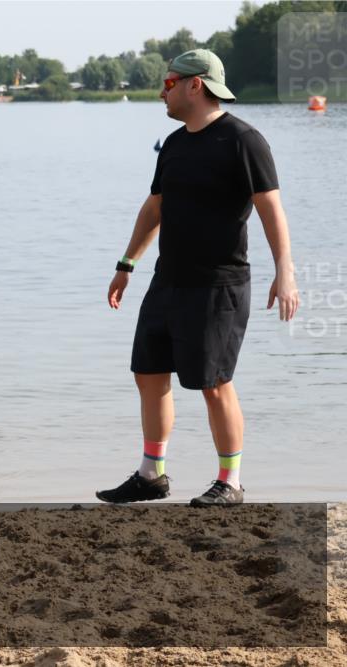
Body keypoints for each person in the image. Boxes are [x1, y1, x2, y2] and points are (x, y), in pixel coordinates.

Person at [97, 49, 300, 507]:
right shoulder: (174, 143)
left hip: (219, 285)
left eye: (168, 82)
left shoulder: (243, 141)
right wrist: (126, 264)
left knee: (214, 383)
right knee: (148, 373)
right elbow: (156, 207)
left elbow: (271, 209)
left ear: (196, 85)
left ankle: (230, 481)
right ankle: (152, 474)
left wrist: (284, 271)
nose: (161, 91)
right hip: (167, 279)